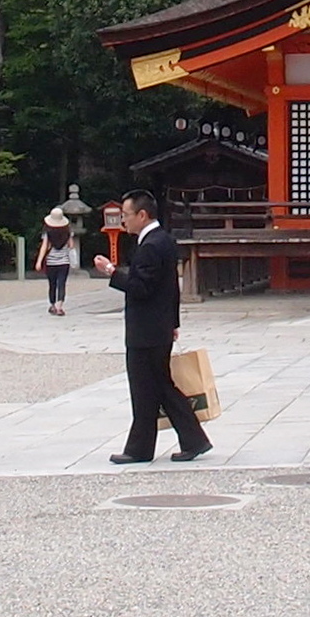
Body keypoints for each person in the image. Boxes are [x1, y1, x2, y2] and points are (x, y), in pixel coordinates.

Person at [93, 189, 211, 463]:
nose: (124, 221)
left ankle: (149, 447)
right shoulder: (164, 240)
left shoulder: (151, 246)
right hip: (157, 327)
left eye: (126, 215)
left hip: (146, 330)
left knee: (149, 388)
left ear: (142, 215)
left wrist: (112, 271)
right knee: (155, 388)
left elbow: (140, 287)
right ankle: (180, 442)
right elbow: (171, 288)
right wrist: (173, 322)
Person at [39, 208, 77, 316]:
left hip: (51, 262)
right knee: (62, 284)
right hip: (64, 262)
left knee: (52, 284)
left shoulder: (47, 232)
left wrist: (39, 261)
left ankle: (52, 304)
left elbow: (44, 246)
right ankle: (59, 306)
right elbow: (71, 246)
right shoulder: (68, 231)